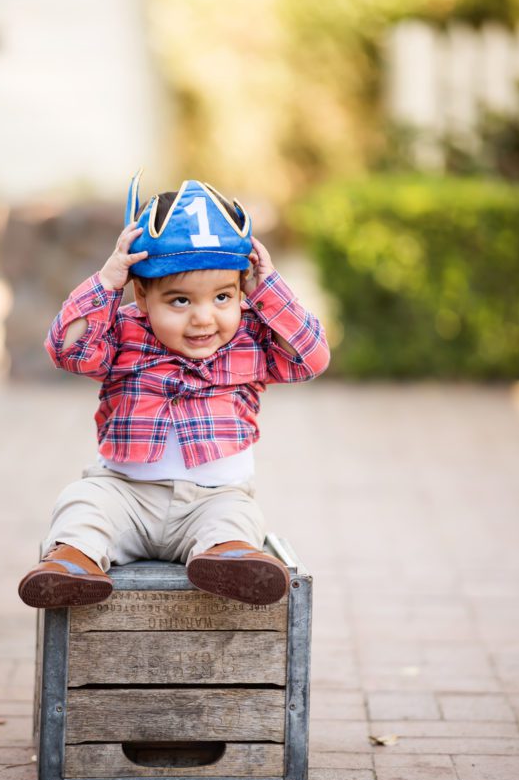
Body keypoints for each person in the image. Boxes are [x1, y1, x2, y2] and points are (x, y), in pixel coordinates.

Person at [17, 170, 330, 610]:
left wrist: (270, 292)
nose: (203, 318)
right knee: (82, 503)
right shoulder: (122, 331)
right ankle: (73, 563)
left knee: (238, 518)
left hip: (214, 499)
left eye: (222, 297)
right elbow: (67, 350)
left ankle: (227, 558)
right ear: (143, 295)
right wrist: (106, 283)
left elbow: (311, 358)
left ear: (242, 289)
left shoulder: (252, 337)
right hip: (125, 492)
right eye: (180, 300)